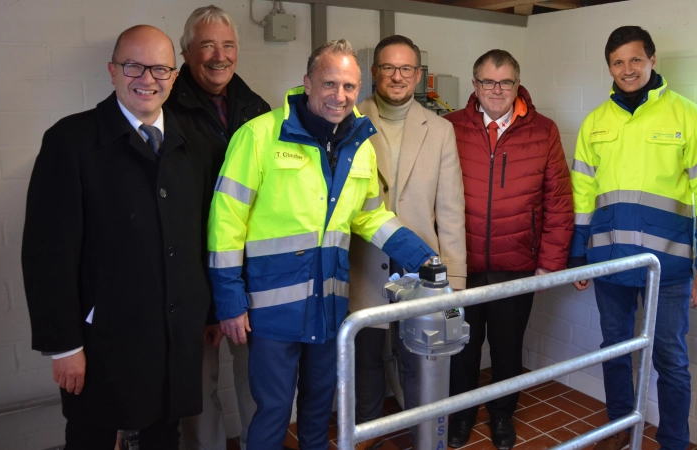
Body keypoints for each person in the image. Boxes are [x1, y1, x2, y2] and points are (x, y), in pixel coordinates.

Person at [207, 39, 438, 450]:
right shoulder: (259, 136)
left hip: (330, 305)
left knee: (319, 409)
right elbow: (226, 224)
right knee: (274, 411)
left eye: (349, 87)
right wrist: (229, 301)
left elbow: (369, 215)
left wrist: (423, 258)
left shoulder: (359, 145)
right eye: (329, 84)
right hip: (270, 310)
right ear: (307, 83)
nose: (340, 96)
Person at [22, 25, 211, 450]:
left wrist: (209, 312)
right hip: (102, 338)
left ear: (175, 75)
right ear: (112, 71)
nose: (148, 79)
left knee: (164, 433)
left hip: (173, 333)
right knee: (92, 434)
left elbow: (199, 239)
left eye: (160, 68)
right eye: (134, 66)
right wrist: (63, 345)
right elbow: (46, 254)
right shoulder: (70, 141)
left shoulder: (191, 145)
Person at [570, 26, 697, 450]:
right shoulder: (595, 122)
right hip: (610, 262)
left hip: (670, 268)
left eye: (635, 60)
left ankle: (673, 441)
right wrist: (578, 255)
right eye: (618, 62)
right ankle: (619, 428)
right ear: (609, 67)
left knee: (671, 361)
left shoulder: (688, 116)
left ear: (652, 61)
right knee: (614, 352)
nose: (628, 69)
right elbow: (582, 194)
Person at [444, 49, 574, 450]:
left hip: (515, 266)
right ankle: (462, 416)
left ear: (517, 84)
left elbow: (559, 202)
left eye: (504, 82)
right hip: (460, 265)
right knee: (461, 351)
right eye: (487, 81)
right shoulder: (448, 126)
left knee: (505, 350)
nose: (496, 90)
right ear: (474, 84)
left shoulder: (544, 130)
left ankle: (502, 416)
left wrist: (549, 264)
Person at [349, 34, 466, 450]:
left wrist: (453, 284)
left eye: (406, 69)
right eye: (388, 68)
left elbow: (450, 213)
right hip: (361, 265)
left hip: (421, 268)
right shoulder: (348, 117)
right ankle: (364, 436)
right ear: (374, 72)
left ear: (419, 75)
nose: (397, 77)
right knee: (364, 361)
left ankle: (424, 438)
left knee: (420, 362)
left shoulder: (439, 129)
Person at [168, 6, 270, 450]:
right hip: (191, 277)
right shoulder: (165, 109)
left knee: (258, 383)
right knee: (197, 392)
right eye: (207, 45)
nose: (218, 55)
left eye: (227, 45)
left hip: (252, 276)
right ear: (186, 51)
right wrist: (210, 304)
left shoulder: (260, 110)